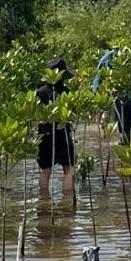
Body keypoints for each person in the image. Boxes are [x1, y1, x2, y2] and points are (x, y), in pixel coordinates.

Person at [36, 58, 76, 199]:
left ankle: (44, 201)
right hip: (62, 135)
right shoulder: (66, 92)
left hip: (44, 136)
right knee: (69, 170)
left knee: (45, 171)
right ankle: (68, 201)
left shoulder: (39, 93)